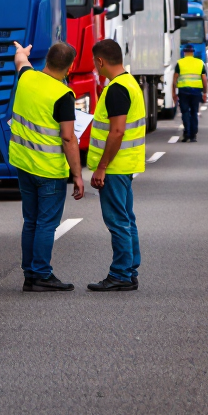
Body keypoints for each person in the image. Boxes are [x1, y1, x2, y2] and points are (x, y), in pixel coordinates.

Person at [9, 40, 85, 292]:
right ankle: (41, 273)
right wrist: (77, 175)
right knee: (45, 224)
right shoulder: (63, 94)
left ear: (47, 60)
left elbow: (21, 62)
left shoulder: (27, 78)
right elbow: (68, 137)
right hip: (49, 171)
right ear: (69, 67)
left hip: (23, 165)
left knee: (30, 220)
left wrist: (22, 52)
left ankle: (30, 274)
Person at [86, 39, 145, 291]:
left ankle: (120, 273)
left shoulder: (117, 89)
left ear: (100, 61)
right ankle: (129, 269)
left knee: (118, 221)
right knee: (126, 219)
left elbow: (117, 132)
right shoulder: (130, 82)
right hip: (125, 165)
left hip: (115, 167)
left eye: (94, 62)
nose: (95, 67)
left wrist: (101, 167)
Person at [173, 44, 208, 142]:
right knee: (194, 113)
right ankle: (193, 135)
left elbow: (174, 79)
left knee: (185, 112)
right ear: (193, 53)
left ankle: (187, 133)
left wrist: (173, 93)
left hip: (183, 91)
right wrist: (205, 93)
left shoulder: (180, 63)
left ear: (184, 52)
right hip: (196, 92)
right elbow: (204, 80)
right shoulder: (200, 63)